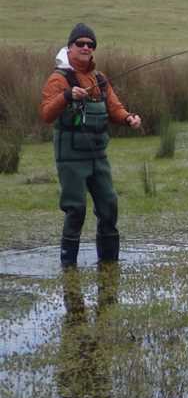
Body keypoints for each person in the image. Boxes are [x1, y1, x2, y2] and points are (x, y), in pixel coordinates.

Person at [39, 23, 142, 267]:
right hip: (70, 156)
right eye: (80, 43)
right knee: (76, 210)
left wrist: (128, 118)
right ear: (70, 47)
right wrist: (67, 96)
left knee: (109, 205)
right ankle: (69, 267)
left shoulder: (100, 79)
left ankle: (109, 265)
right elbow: (46, 114)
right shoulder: (58, 78)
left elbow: (114, 107)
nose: (86, 47)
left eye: (90, 44)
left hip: (98, 154)